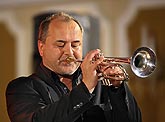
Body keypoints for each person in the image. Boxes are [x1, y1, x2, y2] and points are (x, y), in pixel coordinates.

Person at [6, 12, 141, 122]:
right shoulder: (22, 88)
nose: (69, 52)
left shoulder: (101, 84)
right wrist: (86, 87)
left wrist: (117, 89)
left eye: (75, 45)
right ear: (41, 48)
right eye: (60, 44)